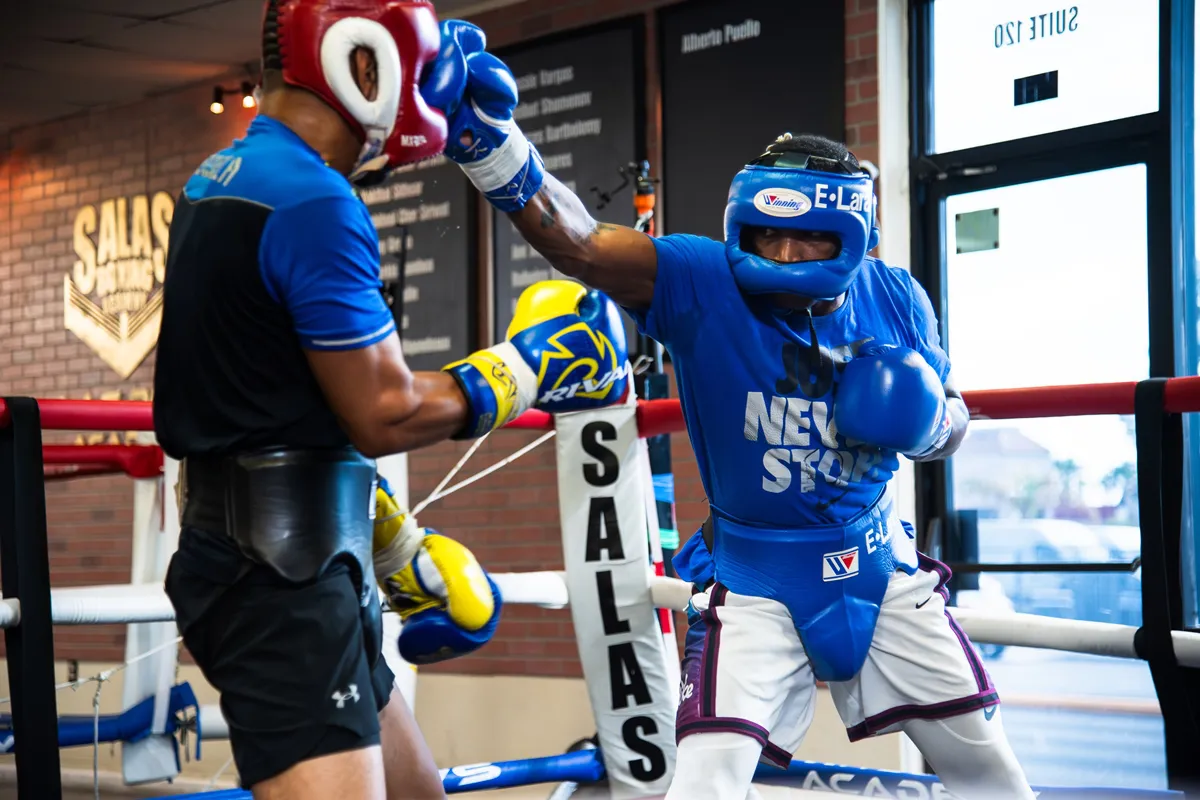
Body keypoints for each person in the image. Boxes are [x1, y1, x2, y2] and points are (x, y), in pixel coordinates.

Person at [421, 21, 1035, 800]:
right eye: (767, 238)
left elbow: (952, 420)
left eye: (806, 241)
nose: (782, 256)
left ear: (850, 236)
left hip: (881, 568)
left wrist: (926, 423)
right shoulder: (702, 281)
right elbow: (580, 243)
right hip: (755, 580)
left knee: (992, 776)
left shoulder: (896, 297)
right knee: (704, 782)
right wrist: (490, 144)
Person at [152, 2, 632, 798]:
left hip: (283, 559)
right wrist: (529, 367)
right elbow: (384, 412)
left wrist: (389, 539)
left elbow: (260, 399)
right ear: (361, 63)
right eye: (411, 67)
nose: (423, 92)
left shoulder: (226, 177)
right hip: (279, 585)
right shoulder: (313, 203)